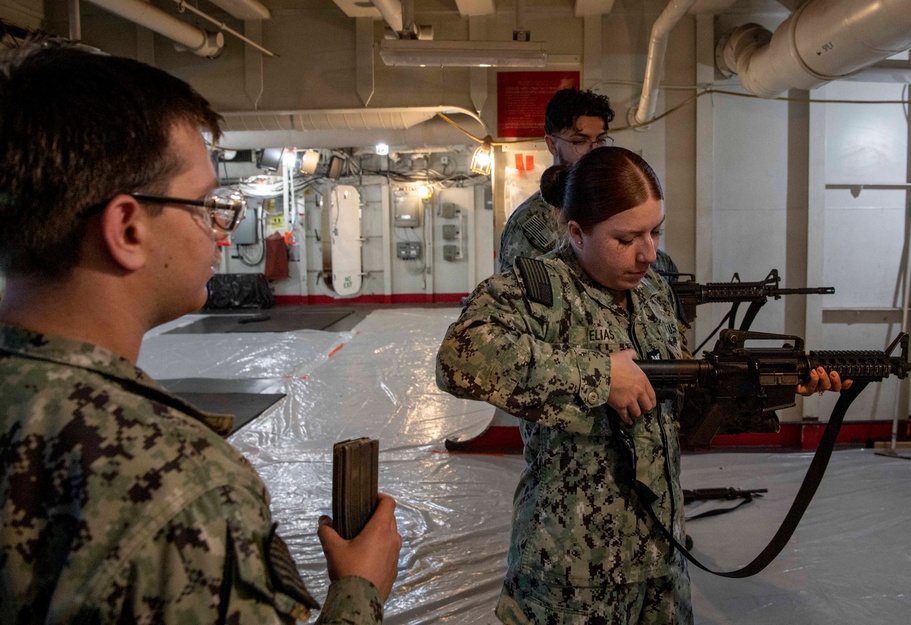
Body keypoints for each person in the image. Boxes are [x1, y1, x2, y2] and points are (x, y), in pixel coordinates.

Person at [0, 43, 401, 624]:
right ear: (127, 229)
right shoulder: (175, 483)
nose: (218, 230)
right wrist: (359, 589)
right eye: (202, 204)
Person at [437, 147, 848, 624]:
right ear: (576, 233)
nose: (648, 253)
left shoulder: (652, 292)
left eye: (655, 232)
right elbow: (457, 358)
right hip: (571, 569)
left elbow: (681, 408)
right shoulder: (535, 291)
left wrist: (765, 389)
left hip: (660, 559)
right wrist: (599, 376)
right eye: (626, 238)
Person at [497, 87, 679, 278]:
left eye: (600, 140)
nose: (593, 150)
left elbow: (656, 269)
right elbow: (522, 295)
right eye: (579, 142)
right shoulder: (528, 224)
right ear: (552, 144)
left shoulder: (616, 203)